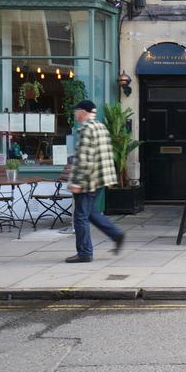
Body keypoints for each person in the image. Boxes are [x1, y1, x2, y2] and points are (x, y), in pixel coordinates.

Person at [65, 100, 124, 263]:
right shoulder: (100, 127)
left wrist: (77, 182)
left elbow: (84, 159)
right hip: (100, 178)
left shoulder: (86, 129)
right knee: (90, 213)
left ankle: (84, 253)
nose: (75, 114)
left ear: (83, 112)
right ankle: (116, 234)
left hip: (87, 181)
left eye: (76, 111)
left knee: (80, 217)